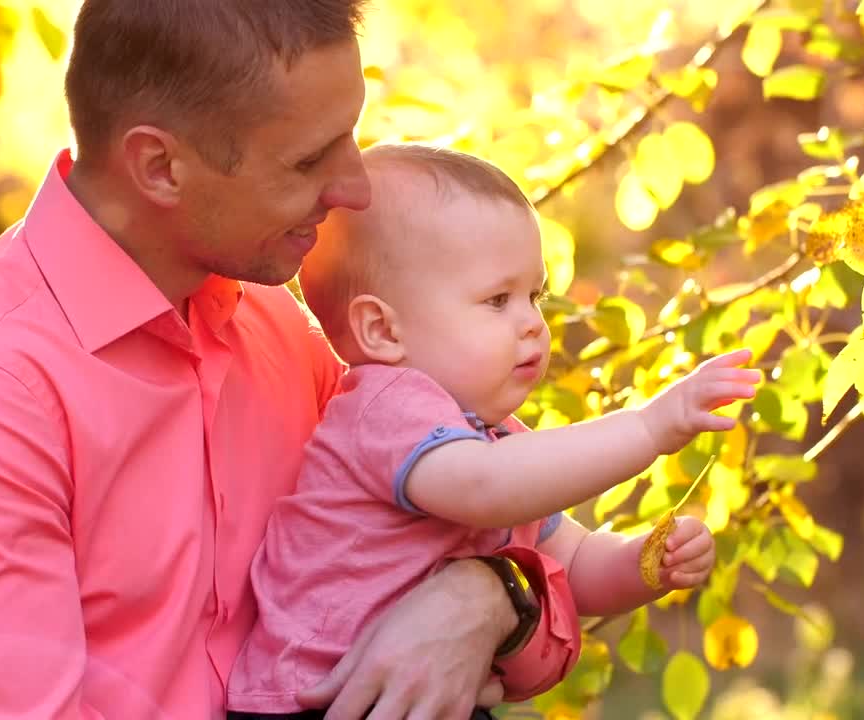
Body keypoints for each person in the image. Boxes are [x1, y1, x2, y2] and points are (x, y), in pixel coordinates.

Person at [0, 2, 590, 718]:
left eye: (351, 136)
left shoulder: (285, 334)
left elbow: (525, 579)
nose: (354, 188)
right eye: (307, 160)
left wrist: (486, 598)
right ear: (160, 167)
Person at [225, 145, 763, 719]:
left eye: (536, 295)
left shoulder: (493, 438)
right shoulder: (384, 405)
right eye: (497, 300)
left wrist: (645, 564)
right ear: (382, 330)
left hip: (417, 694)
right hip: (318, 701)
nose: (532, 322)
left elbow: (575, 567)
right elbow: (486, 489)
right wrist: (651, 426)